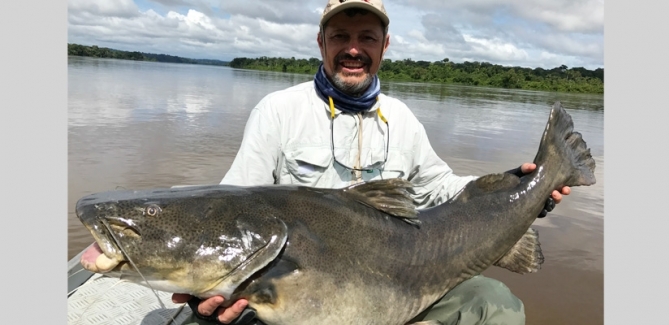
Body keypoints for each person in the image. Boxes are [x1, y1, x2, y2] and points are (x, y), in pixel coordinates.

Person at [172, 0, 570, 324]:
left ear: (385, 45)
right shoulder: (277, 111)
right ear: (321, 42)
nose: (353, 49)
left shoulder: (402, 120)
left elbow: (441, 189)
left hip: (399, 280)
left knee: (494, 304)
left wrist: (520, 185)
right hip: (302, 298)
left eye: (367, 37)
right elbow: (231, 210)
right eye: (340, 36)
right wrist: (210, 286)